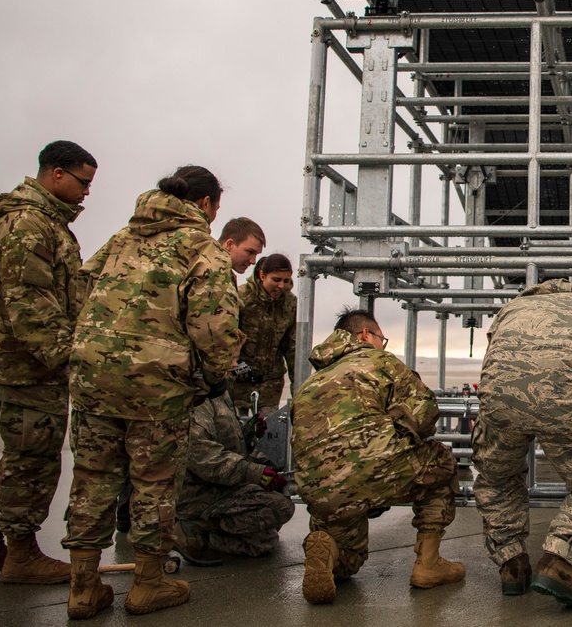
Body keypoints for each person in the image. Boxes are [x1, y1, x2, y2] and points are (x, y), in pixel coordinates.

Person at [61, 165, 243, 619]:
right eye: (216, 208)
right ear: (205, 204)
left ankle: (83, 586)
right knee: (154, 484)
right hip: (156, 388)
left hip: (92, 378)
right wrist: (218, 374)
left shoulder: (121, 238)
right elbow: (215, 326)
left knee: (92, 479)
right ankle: (148, 582)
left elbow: (80, 289)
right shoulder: (202, 248)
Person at [0, 140, 97, 585]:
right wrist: (68, 362)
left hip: (29, 362)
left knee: (23, 452)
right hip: (30, 364)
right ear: (56, 173)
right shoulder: (26, 224)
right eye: (83, 182)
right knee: (33, 458)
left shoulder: (44, 222)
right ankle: (20, 552)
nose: (88, 192)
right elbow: (31, 307)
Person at [292, 308, 464, 605]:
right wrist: (397, 435)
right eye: (381, 339)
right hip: (374, 469)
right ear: (364, 335)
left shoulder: (312, 382)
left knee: (349, 563)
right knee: (442, 462)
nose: (383, 345)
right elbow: (425, 412)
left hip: (320, 490)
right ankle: (428, 564)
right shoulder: (380, 361)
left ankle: (327, 551)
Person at [472, 278, 572, 609]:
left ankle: (512, 565)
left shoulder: (509, 309)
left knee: (497, 479)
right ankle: (559, 559)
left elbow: (496, 360)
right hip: (560, 401)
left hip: (498, 402)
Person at [174, 378, 295, 565]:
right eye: (230, 357)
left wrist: (248, 431)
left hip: (222, 483)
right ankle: (194, 528)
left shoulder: (218, 389)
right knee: (280, 507)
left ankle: (210, 536)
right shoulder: (197, 399)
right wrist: (254, 472)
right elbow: (203, 457)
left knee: (264, 542)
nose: (235, 363)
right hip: (201, 493)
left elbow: (225, 441)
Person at [234, 253, 297, 416]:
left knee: (270, 433)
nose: (281, 286)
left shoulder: (290, 304)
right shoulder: (241, 298)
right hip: (238, 382)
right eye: (276, 280)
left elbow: (293, 349)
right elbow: (226, 335)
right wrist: (234, 362)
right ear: (262, 276)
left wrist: (299, 389)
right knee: (236, 432)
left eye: (286, 281)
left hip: (270, 385)